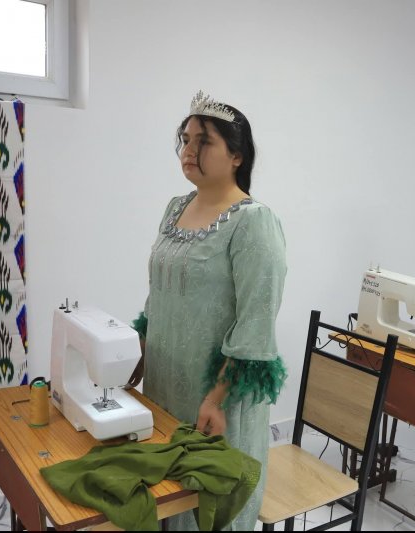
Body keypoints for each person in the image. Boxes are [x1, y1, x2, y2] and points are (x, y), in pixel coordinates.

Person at [134, 91, 287, 531]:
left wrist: (216, 399)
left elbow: (256, 321)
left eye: (204, 142)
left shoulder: (253, 222)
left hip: (214, 399)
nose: (189, 150)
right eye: (186, 139)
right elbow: (158, 295)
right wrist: (137, 352)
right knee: (164, 499)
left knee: (205, 502)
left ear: (237, 155)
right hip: (164, 385)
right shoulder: (176, 208)